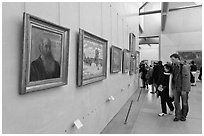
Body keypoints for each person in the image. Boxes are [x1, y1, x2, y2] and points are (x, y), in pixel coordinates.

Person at [170, 53, 191, 121]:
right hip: (176, 87)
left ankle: (184, 115)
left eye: (173, 59)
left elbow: (186, 79)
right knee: (176, 102)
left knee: (184, 102)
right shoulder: (173, 66)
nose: (172, 61)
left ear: (177, 58)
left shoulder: (184, 66)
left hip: (183, 88)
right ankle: (177, 115)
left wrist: (184, 89)